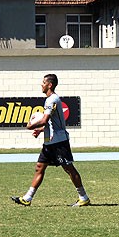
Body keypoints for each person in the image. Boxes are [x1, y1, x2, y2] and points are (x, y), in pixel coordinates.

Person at [11, 74, 90, 207]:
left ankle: (83, 197)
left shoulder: (52, 99)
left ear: (50, 85)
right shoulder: (49, 100)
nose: (41, 85)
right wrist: (41, 129)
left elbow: (45, 120)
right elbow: (50, 123)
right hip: (50, 142)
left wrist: (30, 126)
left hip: (59, 142)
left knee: (68, 168)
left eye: (43, 83)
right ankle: (27, 198)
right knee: (39, 167)